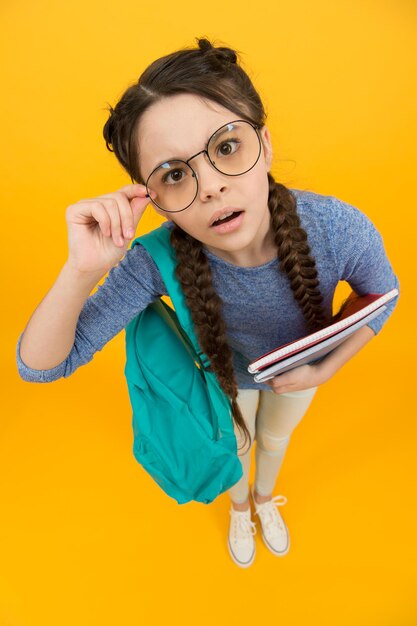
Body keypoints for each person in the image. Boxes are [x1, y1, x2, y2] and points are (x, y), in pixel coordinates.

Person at [16, 37, 399, 568]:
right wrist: (81, 269)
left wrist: (325, 369)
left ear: (264, 144)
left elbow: (383, 297)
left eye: (225, 147)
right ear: (152, 198)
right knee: (238, 449)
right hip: (224, 381)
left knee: (274, 442)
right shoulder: (153, 261)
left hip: (299, 374)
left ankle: (266, 499)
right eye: (175, 174)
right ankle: (241, 505)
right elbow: (41, 367)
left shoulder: (338, 229)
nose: (212, 187)